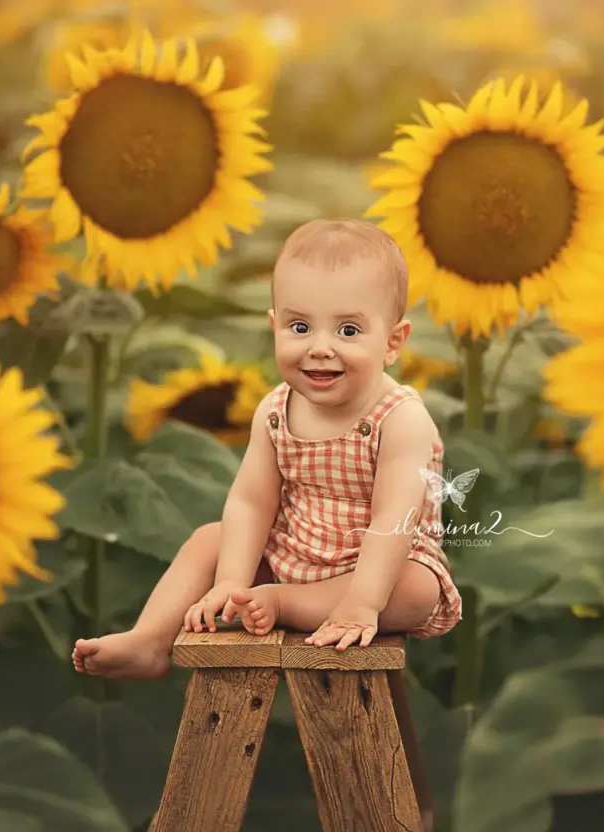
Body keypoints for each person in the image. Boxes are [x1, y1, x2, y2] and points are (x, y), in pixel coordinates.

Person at [71, 218, 463, 679]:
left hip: (378, 567)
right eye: (300, 326)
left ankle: (284, 603)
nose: (320, 348)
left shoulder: (400, 419)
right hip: (294, 550)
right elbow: (252, 501)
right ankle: (150, 640)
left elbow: (393, 519)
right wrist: (231, 580)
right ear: (275, 326)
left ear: (393, 342)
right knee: (209, 539)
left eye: (348, 331)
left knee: (417, 590)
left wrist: (362, 602)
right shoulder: (276, 409)